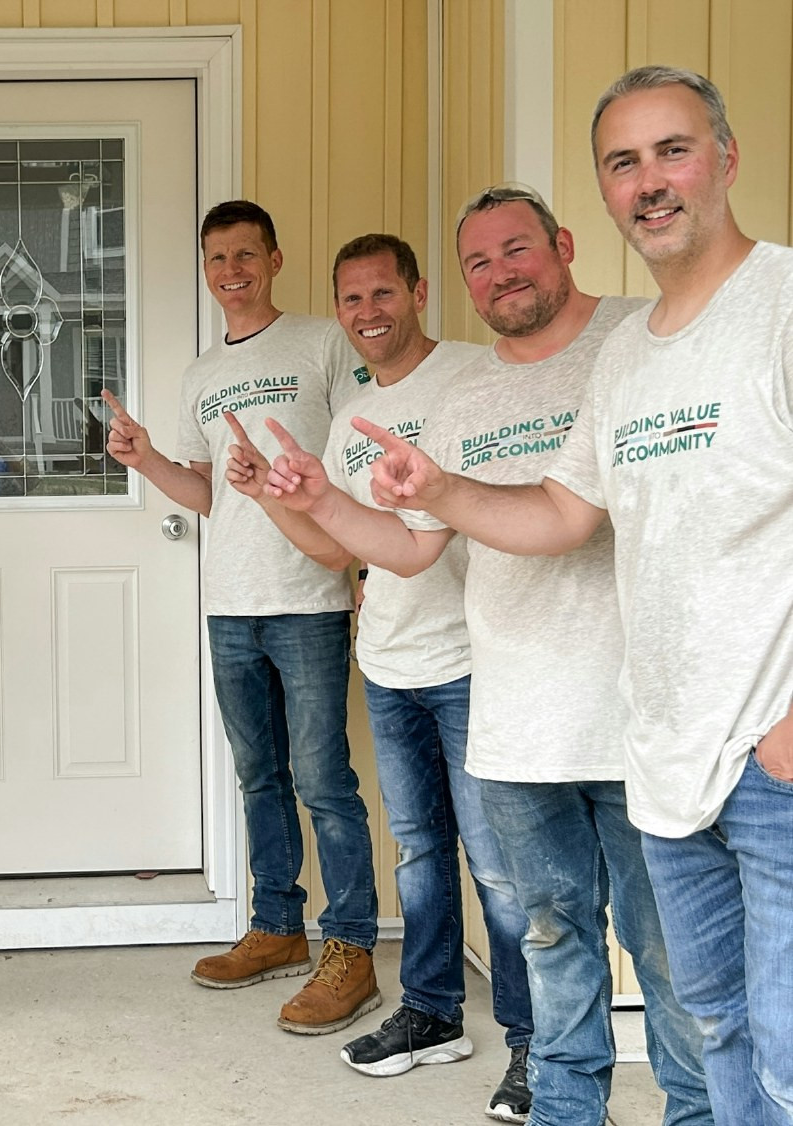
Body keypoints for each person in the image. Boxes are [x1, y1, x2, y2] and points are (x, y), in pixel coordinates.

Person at [360, 67, 792, 1124]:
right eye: (622, 161)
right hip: (665, 756)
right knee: (719, 1022)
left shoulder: (780, 306)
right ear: (604, 193)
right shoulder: (631, 361)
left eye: (673, 150)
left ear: (726, 160)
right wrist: (440, 489)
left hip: (768, 758)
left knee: (782, 1052)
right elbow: (562, 513)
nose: (650, 181)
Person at [253, 187, 709, 1126]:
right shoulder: (465, 398)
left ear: (564, 246)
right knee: (553, 940)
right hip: (515, 719)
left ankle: (693, 1113)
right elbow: (414, 546)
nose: (501, 273)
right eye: (481, 262)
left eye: (517, 250)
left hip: (640, 715)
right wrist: (314, 499)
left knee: (667, 951)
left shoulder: (639, 341)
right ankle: (566, 1107)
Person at [225, 233, 534, 1120]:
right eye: (351, 299)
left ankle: (532, 1042)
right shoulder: (351, 408)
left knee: (503, 871)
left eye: (382, 294)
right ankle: (433, 1013)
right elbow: (337, 546)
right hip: (390, 661)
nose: (367, 313)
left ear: (419, 291)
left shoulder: (474, 375)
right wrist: (270, 498)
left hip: (473, 659)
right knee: (425, 854)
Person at [104, 199, 380, 1034]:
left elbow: (364, 451)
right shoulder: (199, 374)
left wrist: (364, 561)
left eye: (246, 254)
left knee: (326, 783)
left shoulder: (323, 343)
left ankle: (352, 947)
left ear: (275, 259)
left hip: (308, 597)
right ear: (206, 268)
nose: (232, 270)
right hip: (229, 604)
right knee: (260, 777)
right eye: (217, 257)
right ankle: (276, 929)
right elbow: (209, 495)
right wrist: (146, 458)